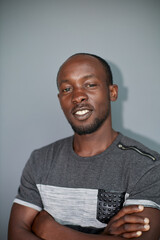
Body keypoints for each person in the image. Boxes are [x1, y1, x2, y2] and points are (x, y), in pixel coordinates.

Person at [8, 53, 160, 240]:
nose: (77, 96)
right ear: (60, 100)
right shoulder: (40, 160)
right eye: (67, 89)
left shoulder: (147, 165)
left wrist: (51, 230)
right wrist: (104, 236)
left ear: (112, 92)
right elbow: (16, 233)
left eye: (90, 85)